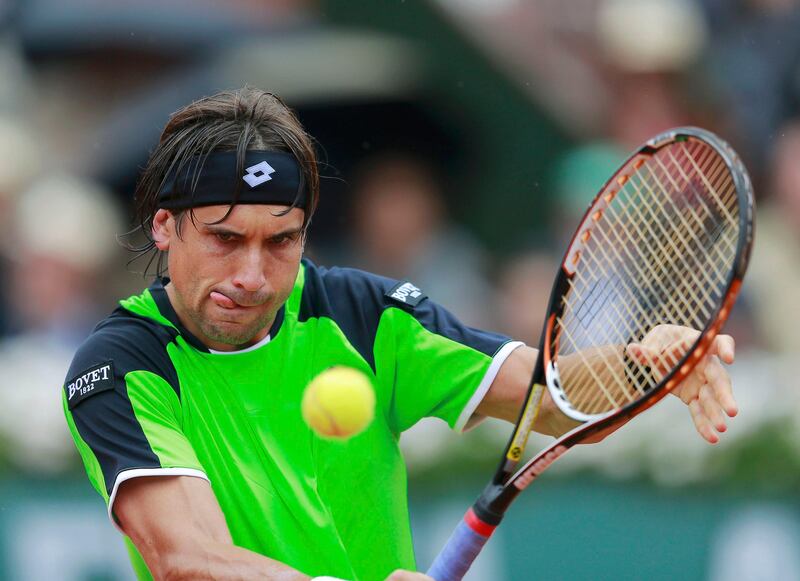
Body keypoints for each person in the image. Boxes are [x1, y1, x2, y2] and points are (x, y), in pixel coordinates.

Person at [62, 87, 738, 581]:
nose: (253, 273)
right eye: (225, 238)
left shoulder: (363, 314)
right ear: (163, 226)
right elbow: (187, 556)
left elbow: (552, 396)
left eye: (281, 241)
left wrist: (649, 366)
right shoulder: (121, 366)